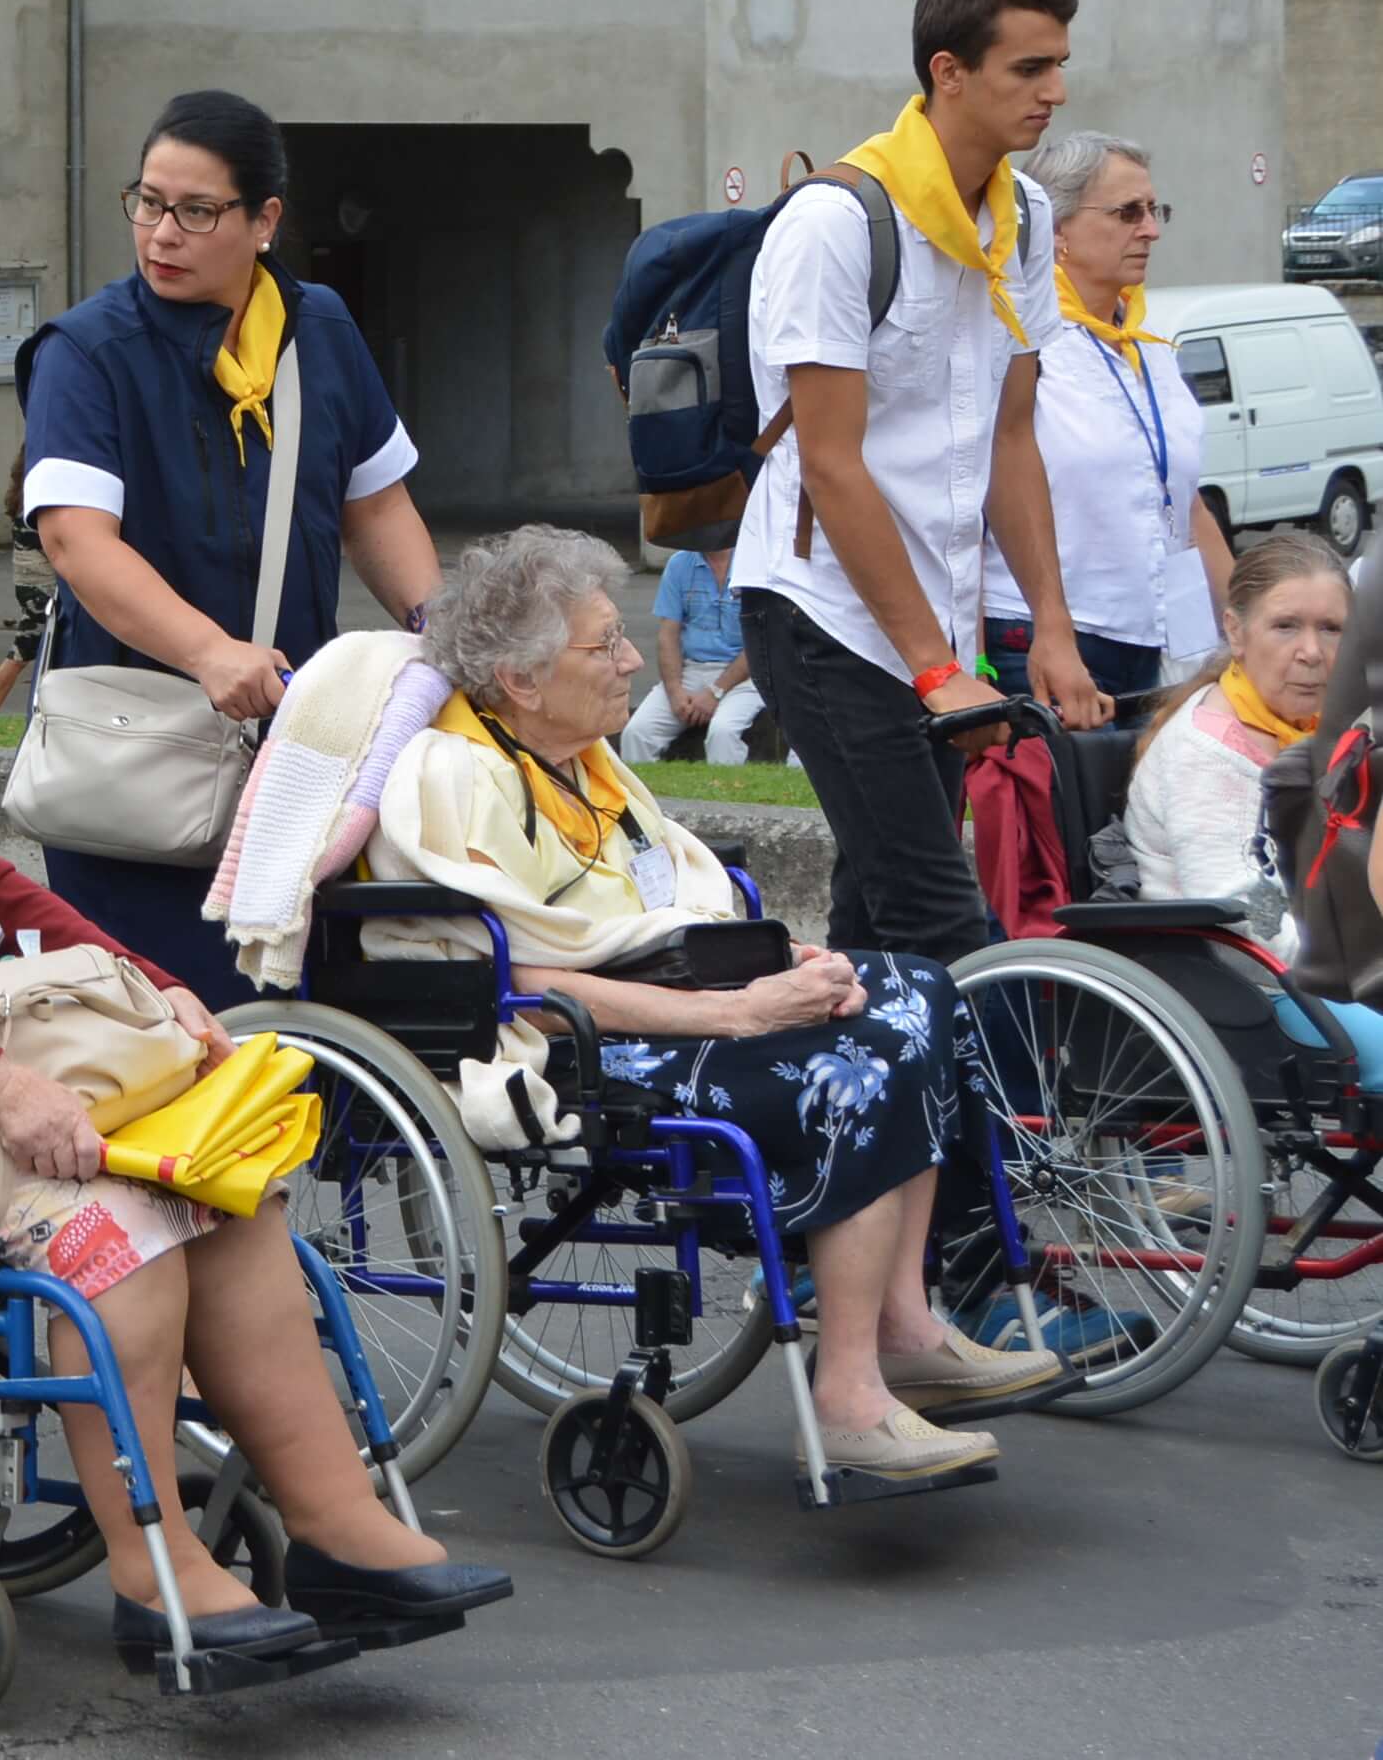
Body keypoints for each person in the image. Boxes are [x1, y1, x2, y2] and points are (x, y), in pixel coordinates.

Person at [0, 549, 511, 1658]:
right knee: (120, 1235)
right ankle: (150, 1564)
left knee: (234, 1203)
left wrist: (150, 981)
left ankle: (334, 1521)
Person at [378, 527, 1062, 1478]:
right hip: (583, 1042)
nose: (631, 663)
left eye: (622, 639)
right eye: (605, 645)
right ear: (521, 680)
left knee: (920, 992)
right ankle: (849, 1397)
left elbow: (671, 913)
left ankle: (905, 1322)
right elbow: (521, 978)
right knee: (853, 1060)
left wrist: (781, 964)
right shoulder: (458, 774)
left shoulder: (584, 764)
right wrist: (740, 1012)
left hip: (669, 1001)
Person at [17, 91, 440, 1000]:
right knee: (169, 1023)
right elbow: (75, 541)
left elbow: (376, 505)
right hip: (133, 755)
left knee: (296, 1010)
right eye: (148, 202)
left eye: (196, 211)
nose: (162, 233)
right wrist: (209, 653)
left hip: (290, 744)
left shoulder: (318, 328)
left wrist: (441, 635)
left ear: (264, 221)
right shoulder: (87, 352)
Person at [738, 0, 1105, 964]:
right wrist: (937, 665)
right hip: (823, 617)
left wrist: (1051, 632)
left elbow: (1011, 436)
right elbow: (832, 463)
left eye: (1060, 64)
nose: (1056, 92)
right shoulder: (838, 222)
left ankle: (823, 1115)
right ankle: (996, 1132)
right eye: (1029, 69)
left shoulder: (1024, 218)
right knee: (942, 922)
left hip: (932, 627)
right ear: (948, 72)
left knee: (874, 927)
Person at [984, 131, 1229, 709]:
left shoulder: (1150, 348)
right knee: (1068, 801)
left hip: (1159, 642)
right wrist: (974, 662)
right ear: (1056, 230)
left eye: (1154, 210)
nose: (1151, 229)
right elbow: (972, 502)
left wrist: (1245, 626)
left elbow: (1187, 505)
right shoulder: (1018, 343)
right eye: (1127, 213)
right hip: (1043, 640)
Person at [1124, 534, 1383, 1071]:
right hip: (1251, 979)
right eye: (1286, 626)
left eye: (1331, 629)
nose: (1311, 651)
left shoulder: (1326, 729)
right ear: (1236, 631)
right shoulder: (1209, 752)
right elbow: (1243, 903)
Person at [618, 545, 767, 770]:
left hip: (747, 677)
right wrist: (675, 691)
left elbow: (760, 643)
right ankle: (643, 801)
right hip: (692, 668)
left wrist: (715, 692)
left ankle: (728, 799)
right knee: (637, 732)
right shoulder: (679, 564)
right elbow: (668, 635)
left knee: (723, 733)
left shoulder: (756, 564)